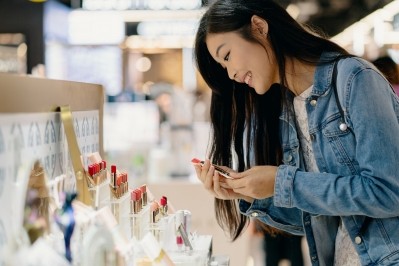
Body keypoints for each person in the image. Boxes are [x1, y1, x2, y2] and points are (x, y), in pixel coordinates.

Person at [192, 0, 399, 265]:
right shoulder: (287, 111)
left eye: (228, 56)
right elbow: (319, 219)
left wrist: (284, 182)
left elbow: (388, 192)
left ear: (258, 27)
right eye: (223, 67)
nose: (231, 73)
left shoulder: (354, 78)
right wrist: (250, 192)